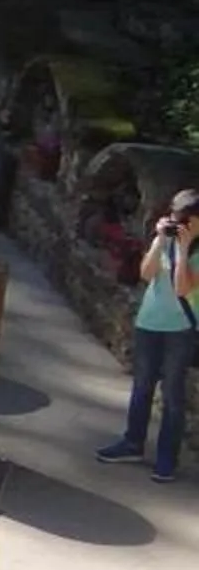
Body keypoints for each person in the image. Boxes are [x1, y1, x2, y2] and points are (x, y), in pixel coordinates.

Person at [95, 188, 198, 484]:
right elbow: (145, 272)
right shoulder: (165, 238)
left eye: (188, 220)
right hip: (149, 322)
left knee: (173, 395)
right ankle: (132, 443)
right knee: (142, 387)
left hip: (180, 329)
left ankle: (167, 459)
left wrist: (182, 248)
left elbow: (182, 288)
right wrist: (159, 241)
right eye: (179, 218)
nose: (182, 224)